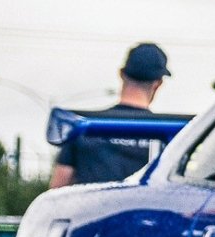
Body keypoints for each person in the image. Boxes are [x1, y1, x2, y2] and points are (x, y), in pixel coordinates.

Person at [49, 43, 170, 187]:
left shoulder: (84, 127)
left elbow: (57, 188)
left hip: (91, 208)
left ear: (121, 74)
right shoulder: (167, 136)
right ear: (158, 83)